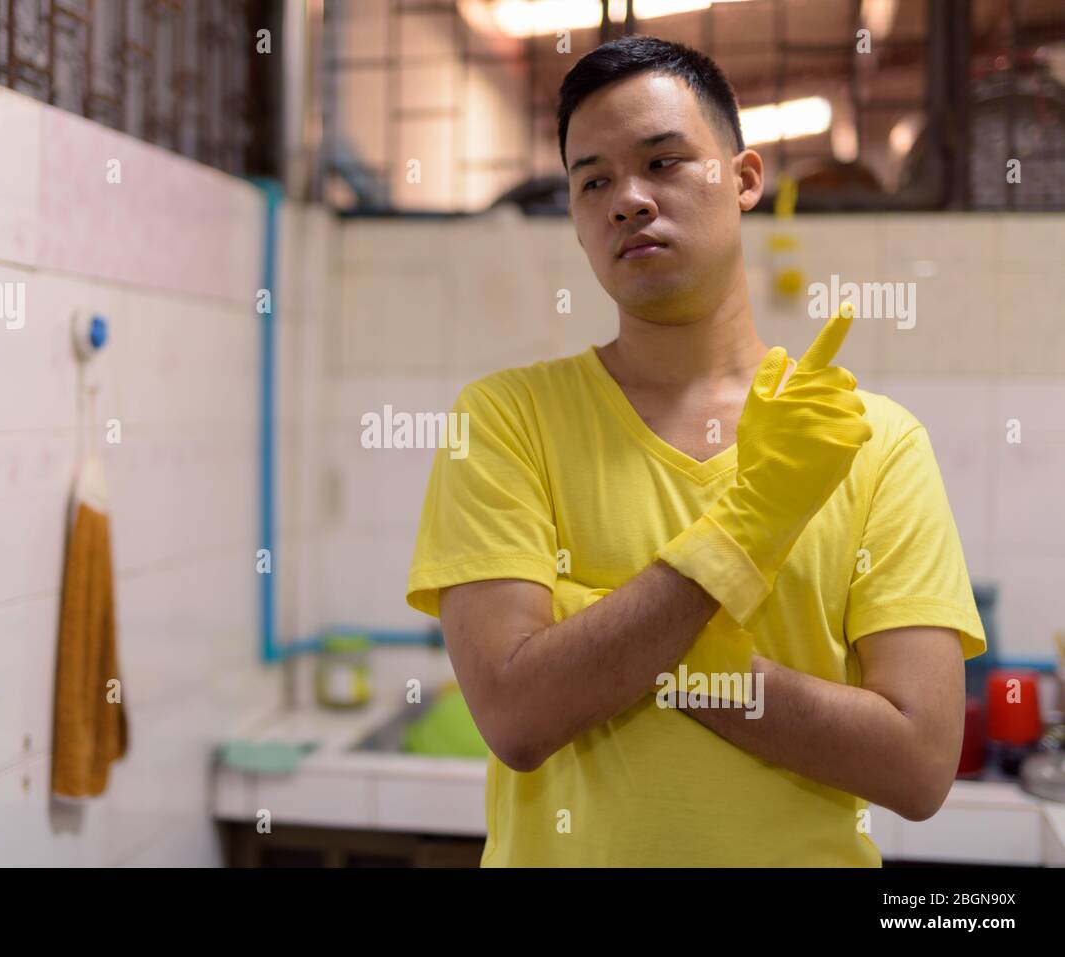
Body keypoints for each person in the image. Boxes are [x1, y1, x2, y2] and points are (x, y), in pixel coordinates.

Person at [405, 35, 986, 867]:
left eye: (665, 162)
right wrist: (752, 523)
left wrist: (638, 651)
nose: (628, 200)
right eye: (593, 180)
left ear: (745, 179)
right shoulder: (503, 421)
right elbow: (518, 716)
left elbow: (920, 763)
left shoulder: (870, 441)